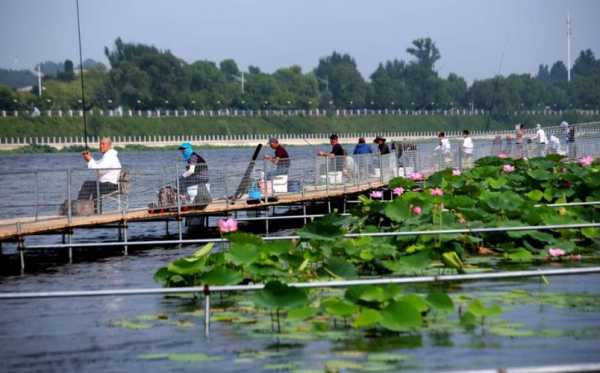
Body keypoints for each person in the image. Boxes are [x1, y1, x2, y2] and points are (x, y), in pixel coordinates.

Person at [78, 137, 121, 202]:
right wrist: (89, 159)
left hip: (110, 186)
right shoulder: (108, 156)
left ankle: (80, 205)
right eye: (100, 144)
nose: (101, 146)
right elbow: (97, 164)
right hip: (107, 184)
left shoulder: (110, 157)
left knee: (87, 184)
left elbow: (100, 170)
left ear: (109, 145)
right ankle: (95, 210)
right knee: (94, 187)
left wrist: (89, 160)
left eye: (103, 144)